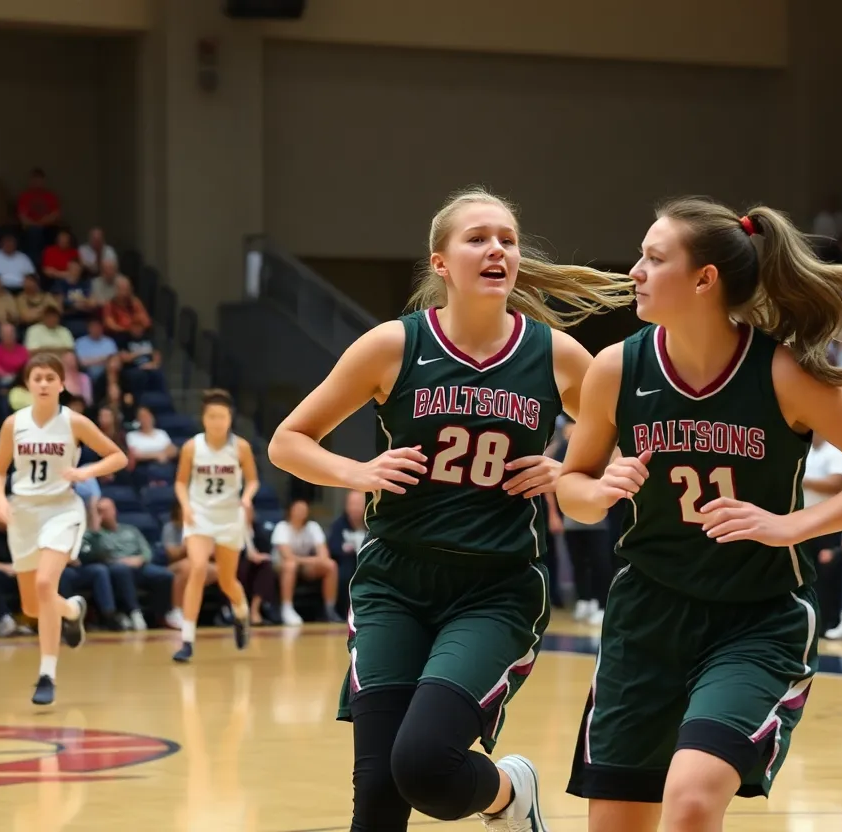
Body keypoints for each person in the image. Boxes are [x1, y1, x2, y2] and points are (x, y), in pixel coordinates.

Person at [267, 186, 632, 832]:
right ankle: (508, 798)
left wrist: (572, 468)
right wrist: (358, 470)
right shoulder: (393, 346)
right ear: (441, 263)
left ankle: (508, 792)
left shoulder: (554, 355)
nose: (498, 248)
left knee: (426, 763)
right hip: (393, 585)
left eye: (508, 239)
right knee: (378, 798)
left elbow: (630, 448)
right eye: (478, 237)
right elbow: (287, 442)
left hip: (494, 590)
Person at [555, 197, 842, 832]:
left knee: (693, 798)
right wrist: (602, 488)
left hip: (757, 617)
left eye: (653, 257)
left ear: (705, 279)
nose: (635, 271)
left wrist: (794, 523)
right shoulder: (617, 368)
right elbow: (571, 490)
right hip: (647, 616)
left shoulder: (781, 372)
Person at [0, 352, 128, 705]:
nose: (44, 383)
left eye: (51, 378)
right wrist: (1, 501)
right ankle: (73, 611)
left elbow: (118, 456)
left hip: (62, 511)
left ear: (62, 384)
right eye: (37, 378)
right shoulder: (13, 424)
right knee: (34, 607)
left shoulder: (74, 422)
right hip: (24, 514)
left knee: (46, 583)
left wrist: (85, 472)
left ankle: (46, 675)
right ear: (28, 384)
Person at [171, 389, 258, 663]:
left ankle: (241, 612)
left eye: (222, 416)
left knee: (226, 581)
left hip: (229, 517)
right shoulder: (191, 447)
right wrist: (185, 506)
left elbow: (253, 480)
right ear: (204, 418)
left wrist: (246, 497)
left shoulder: (241, 447)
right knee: (196, 568)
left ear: (230, 418)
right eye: (212, 416)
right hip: (200, 515)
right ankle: (186, 640)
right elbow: (180, 482)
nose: (217, 421)